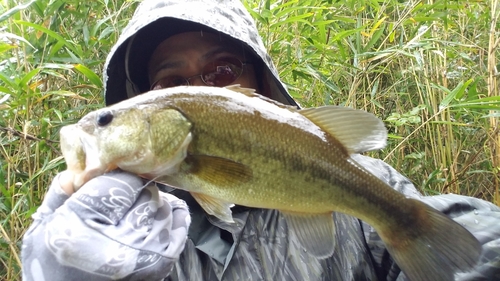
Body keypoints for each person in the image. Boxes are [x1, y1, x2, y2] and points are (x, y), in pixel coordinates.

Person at [21, 0, 500, 280]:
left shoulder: (366, 178)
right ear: (150, 99)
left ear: (261, 82)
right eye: (172, 83)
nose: (205, 89)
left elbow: (470, 243)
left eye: (224, 70)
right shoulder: (123, 226)